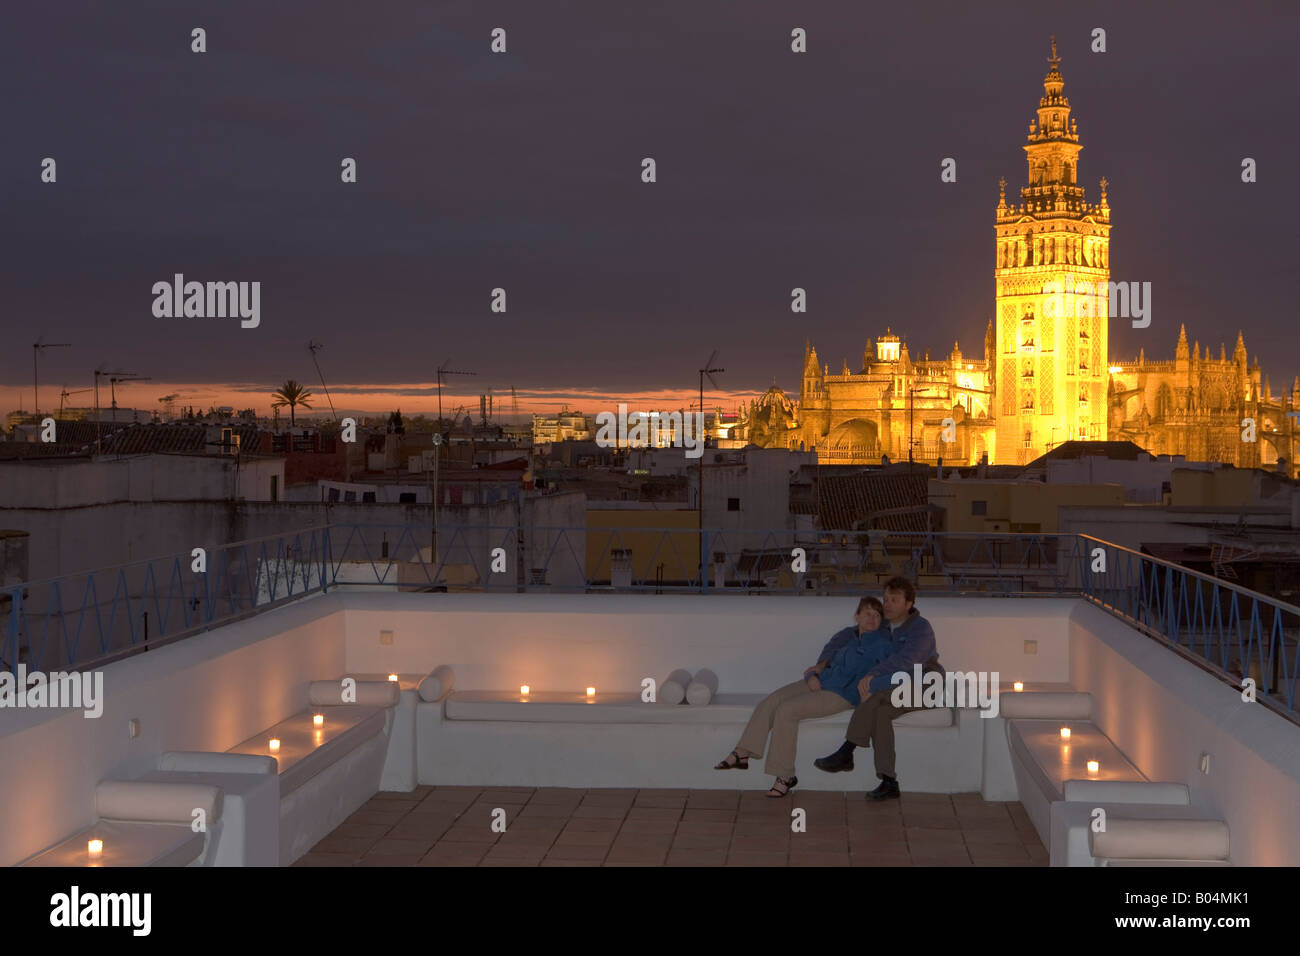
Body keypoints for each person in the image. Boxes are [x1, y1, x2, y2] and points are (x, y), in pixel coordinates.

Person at [714, 596, 890, 797]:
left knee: (787, 711)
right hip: (820, 681)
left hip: (841, 694)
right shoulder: (846, 637)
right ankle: (743, 753)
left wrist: (871, 687)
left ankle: (785, 776)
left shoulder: (883, 645)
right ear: (857, 615)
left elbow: (887, 673)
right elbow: (825, 660)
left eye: (877, 615)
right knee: (771, 701)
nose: (872, 618)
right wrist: (812, 675)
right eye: (868, 613)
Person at [813, 576, 944, 801]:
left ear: (908, 603)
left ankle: (847, 751)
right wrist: (823, 662)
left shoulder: (921, 629)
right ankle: (888, 780)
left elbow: (907, 663)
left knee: (875, 700)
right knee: (881, 714)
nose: (888, 604)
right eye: (886, 599)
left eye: (894, 600)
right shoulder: (882, 624)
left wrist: (873, 677)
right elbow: (845, 637)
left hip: (925, 685)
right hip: (897, 685)